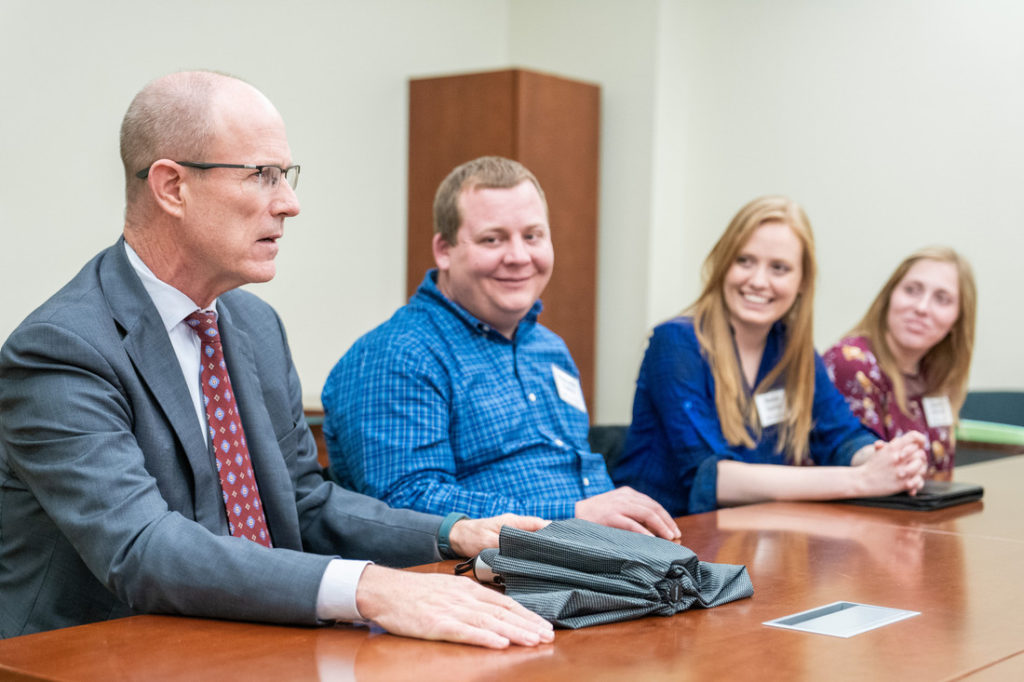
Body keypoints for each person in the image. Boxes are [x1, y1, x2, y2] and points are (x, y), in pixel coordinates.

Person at [0, 71, 555, 649]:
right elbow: (142, 548)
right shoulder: (61, 349)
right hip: (91, 655)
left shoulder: (253, 325)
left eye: (285, 176)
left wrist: (455, 534)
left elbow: (302, 502)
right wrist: (370, 588)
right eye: (262, 175)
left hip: (252, 638)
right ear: (171, 187)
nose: (289, 203)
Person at [321, 156, 679, 540]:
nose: (519, 257)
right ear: (443, 249)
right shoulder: (397, 354)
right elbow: (403, 507)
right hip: (475, 585)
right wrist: (572, 515)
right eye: (493, 239)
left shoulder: (549, 348)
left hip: (589, 562)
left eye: (533, 236)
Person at [611, 196, 928, 516]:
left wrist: (889, 460)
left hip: (752, 536)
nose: (758, 281)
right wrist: (861, 481)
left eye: (779, 268)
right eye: (744, 261)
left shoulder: (791, 351)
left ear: (802, 281)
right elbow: (713, 477)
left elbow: (842, 437)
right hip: (663, 543)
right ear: (723, 264)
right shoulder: (676, 342)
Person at [824, 247, 976, 480]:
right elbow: (858, 471)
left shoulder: (935, 374)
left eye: (941, 299)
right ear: (889, 297)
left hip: (925, 513)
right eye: (912, 291)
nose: (921, 308)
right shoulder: (852, 364)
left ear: (957, 319)